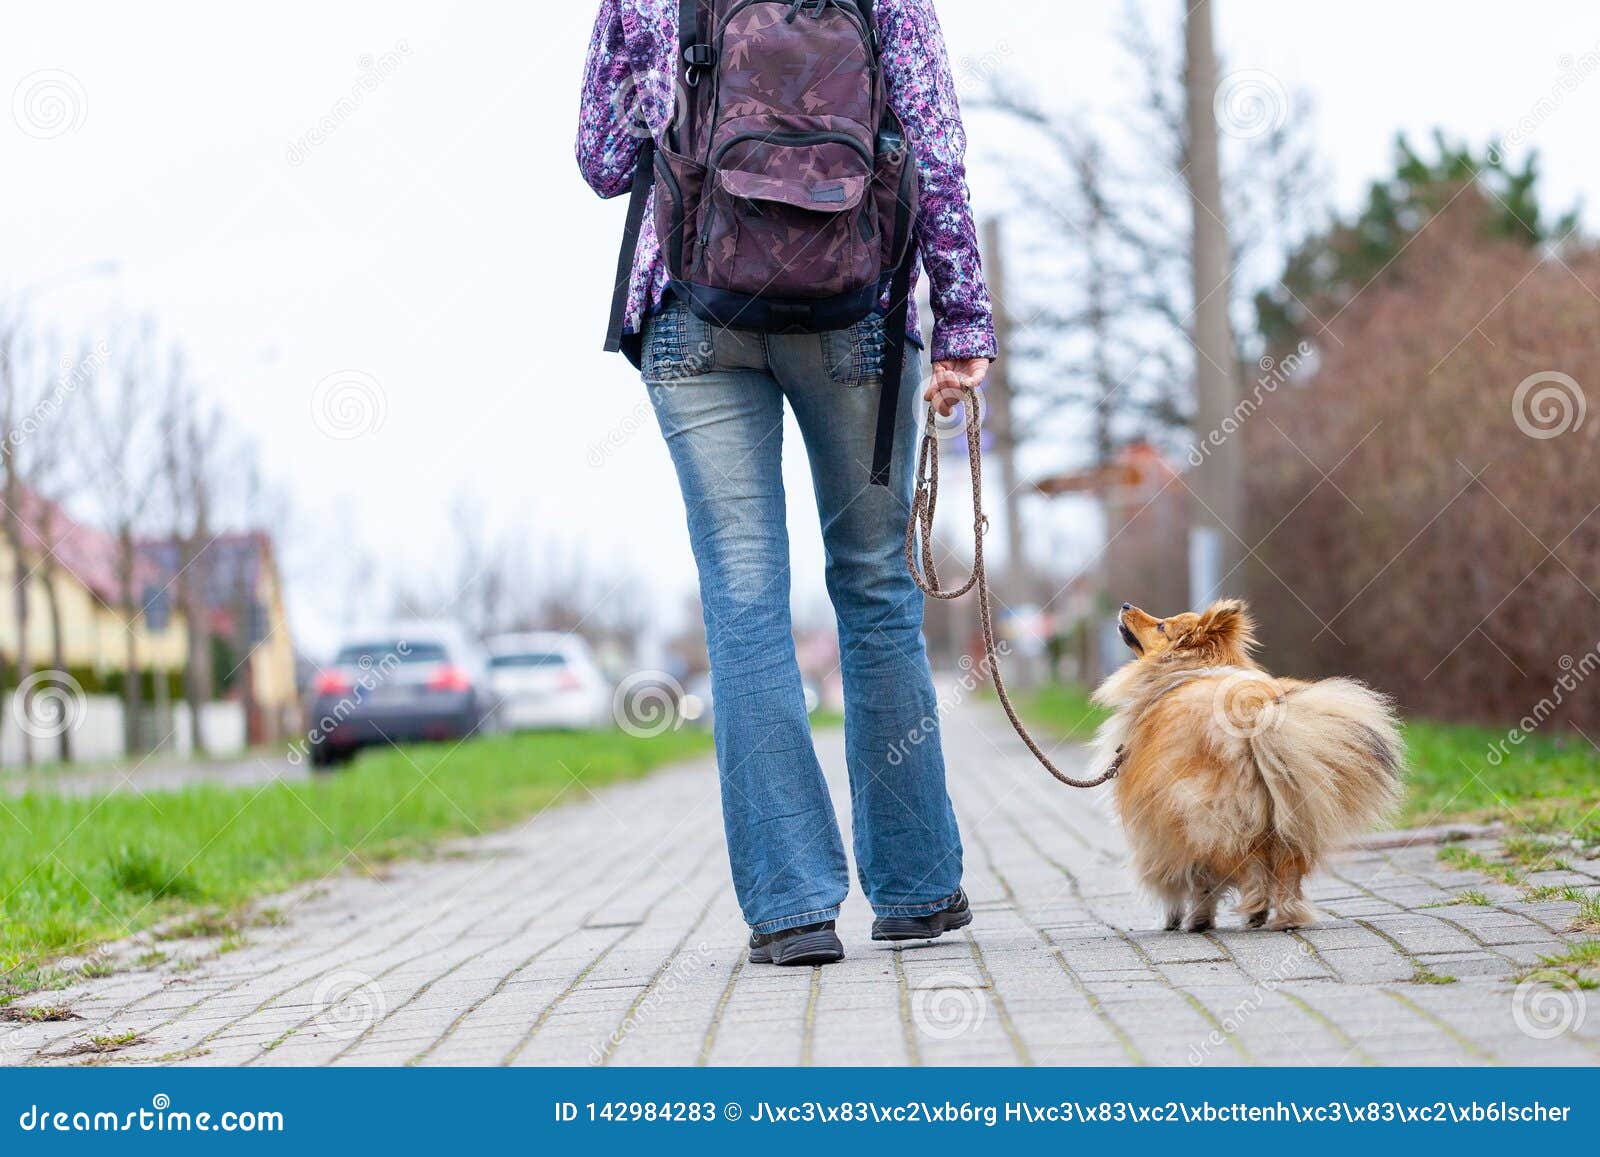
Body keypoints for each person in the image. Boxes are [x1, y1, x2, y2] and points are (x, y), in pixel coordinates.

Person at [577, 0, 996, 965]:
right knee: (878, 590)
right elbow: (933, 142)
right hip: (856, 307)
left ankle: (792, 908)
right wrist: (963, 319)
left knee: (743, 604)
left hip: (694, 306)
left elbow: (602, 160)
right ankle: (917, 892)